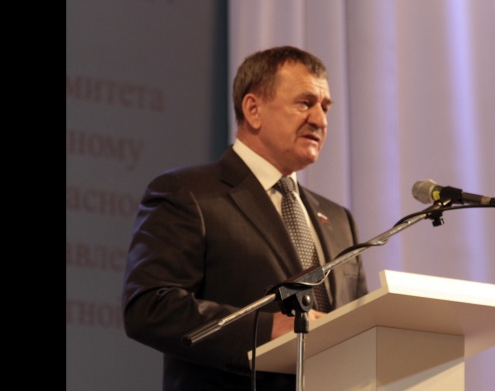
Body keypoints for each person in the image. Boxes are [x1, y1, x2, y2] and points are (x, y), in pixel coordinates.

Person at [122, 45, 369, 390]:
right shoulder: (188, 193)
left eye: (325, 107)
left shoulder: (340, 221)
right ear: (253, 110)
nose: (320, 120)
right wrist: (268, 330)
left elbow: (359, 328)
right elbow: (150, 308)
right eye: (305, 103)